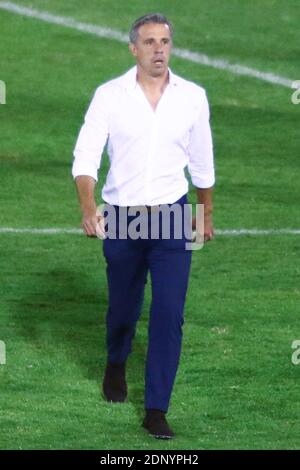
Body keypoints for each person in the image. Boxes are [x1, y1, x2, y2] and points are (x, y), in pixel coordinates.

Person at [72, 13, 215, 440]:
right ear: (134, 48)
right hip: (122, 217)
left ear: (171, 47)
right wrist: (86, 207)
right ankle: (116, 362)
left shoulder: (192, 97)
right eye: (150, 42)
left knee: (169, 314)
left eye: (165, 42)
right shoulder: (109, 96)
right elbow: (85, 157)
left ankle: (156, 408)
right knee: (123, 309)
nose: (158, 49)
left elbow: (203, 162)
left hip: (172, 217)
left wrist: (205, 212)